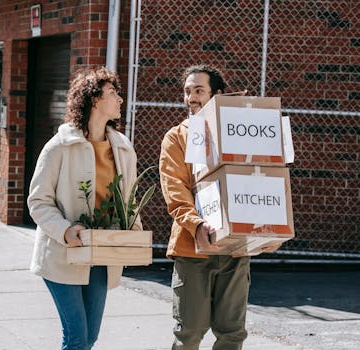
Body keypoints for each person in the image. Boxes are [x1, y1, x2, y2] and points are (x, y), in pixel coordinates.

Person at [159, 64, 280, 350]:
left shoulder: (242, 134)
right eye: (187, 91)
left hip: (235, 251)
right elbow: (174, 190)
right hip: (193, 248)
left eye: (199, 90)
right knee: (189, 333)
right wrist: (196, 224)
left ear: (217, 95)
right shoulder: (177, 137)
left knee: (232, 333)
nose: (191, 98)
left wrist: (268, 229)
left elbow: (262, 177)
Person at [27, 66, 142, 350]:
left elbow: (130, 200)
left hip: (102, 254)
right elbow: (38, 201)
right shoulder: (59, 147)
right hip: (62, 255)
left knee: (89, 337)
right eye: (113, 93)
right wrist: (65, 230)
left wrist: (133, 230)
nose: (120, 99)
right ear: (94, 100)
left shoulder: (123, 148)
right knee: (77, 337)